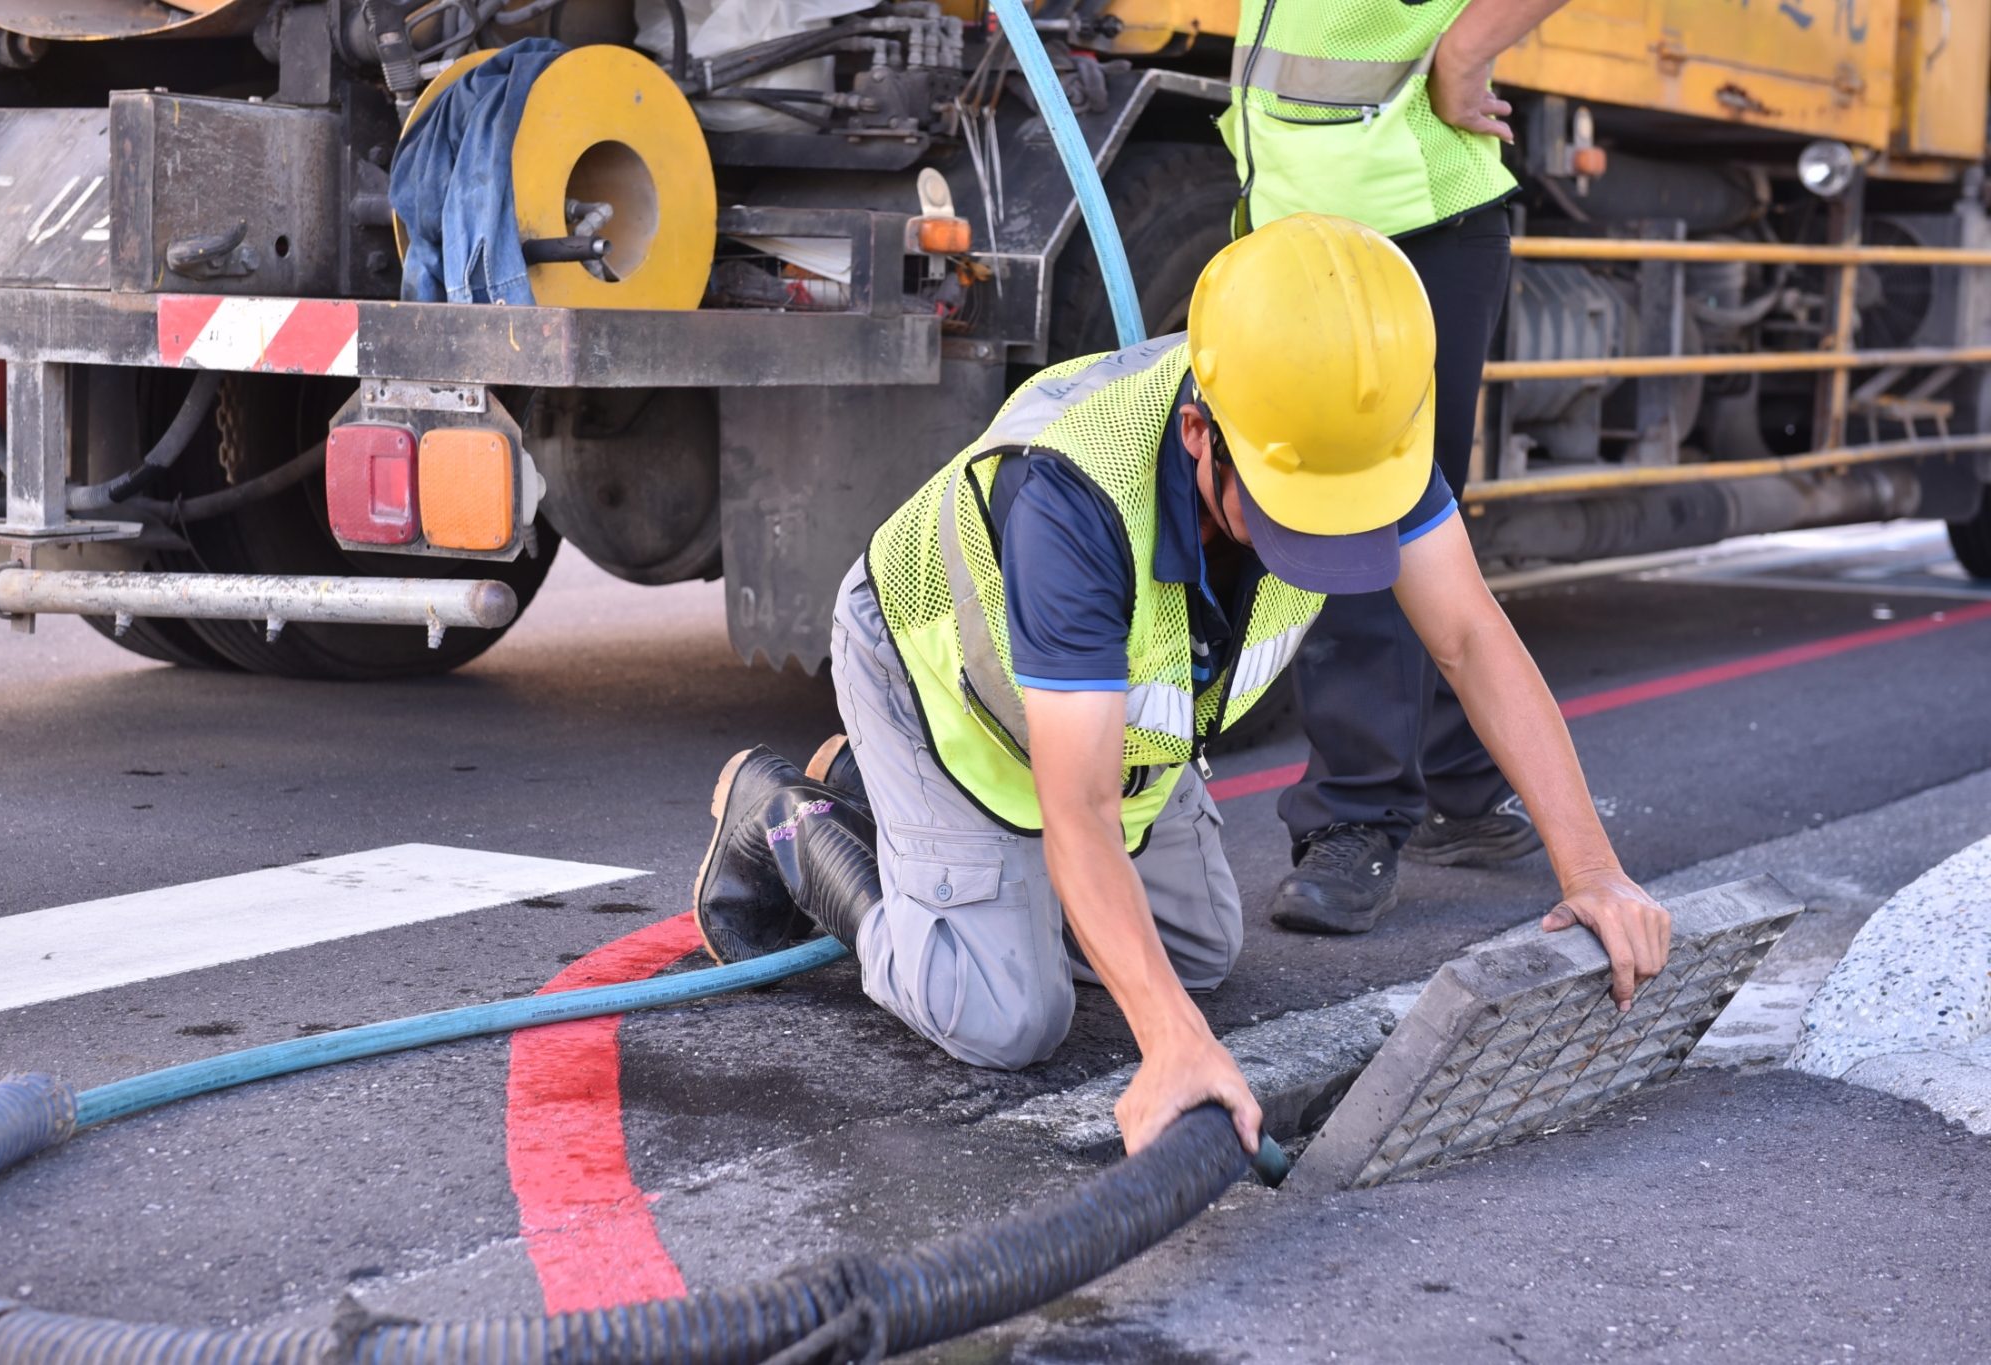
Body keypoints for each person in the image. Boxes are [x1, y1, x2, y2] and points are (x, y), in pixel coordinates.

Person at [692, 214, 1669, 1156]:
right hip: (941, 682)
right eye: (1295, 515)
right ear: (1200, 434)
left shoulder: (1348, 430)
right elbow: (1073, 807)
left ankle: (899, 816)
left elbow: (1469, 638)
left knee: (1191, 958)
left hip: (1082, 722)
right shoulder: (1075, 498)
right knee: (1006, 1018)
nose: (1325, 543)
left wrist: (1592, 874)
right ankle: (790, 824)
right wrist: (1170, 1047)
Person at [1220, 0, 1576, 933]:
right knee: (1421, 516)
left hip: (1408, 219)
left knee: (1369, 513)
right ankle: (1460, 775)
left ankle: (1358, 815)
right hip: (1297, 218)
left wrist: (1465, 52)